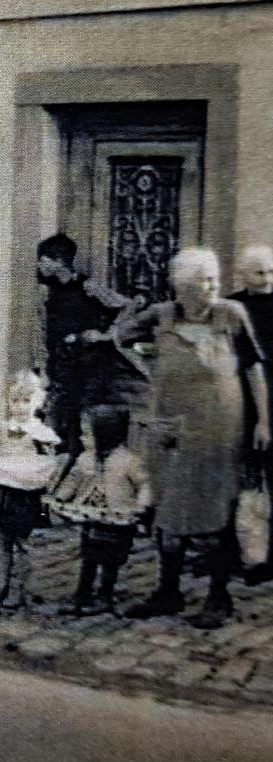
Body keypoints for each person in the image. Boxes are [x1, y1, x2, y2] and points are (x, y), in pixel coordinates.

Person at [117, 248, 270, 629]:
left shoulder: (230, 315)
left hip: (221, 429)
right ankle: (168, 591)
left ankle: (219, 597)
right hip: (170, 426)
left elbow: (253, 370)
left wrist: (264, 420)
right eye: (204, 279)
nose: (213, 285)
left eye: (215, 277)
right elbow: (122, 336)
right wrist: (149, 363)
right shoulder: (162, 316)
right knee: (168, 507)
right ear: (181, 287)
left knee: (217, 510)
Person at [36, 232, 146, 455]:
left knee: (85, 427)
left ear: (59, 262)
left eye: (44, 259)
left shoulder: (88, 287)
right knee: (62, 428)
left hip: (90, 368)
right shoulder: (49, 294)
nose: (39, 265)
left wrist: (106, 335)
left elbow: (129, 306)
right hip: (63, 368)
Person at [51, 407, 151, 616]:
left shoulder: (128, 460)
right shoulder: (86, 458)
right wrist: (61, 495)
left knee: (110, 559)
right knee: (88, 556)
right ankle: (82, 593)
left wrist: (142, 504)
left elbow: (144, 483)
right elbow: (74, 478)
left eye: (87, 434)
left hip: (117, 518)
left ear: (106, 435)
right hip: (92, 516)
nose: (81, 437)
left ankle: (105, 595)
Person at [0, 370, 61, 610]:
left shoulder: (39, 431)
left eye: (26, 400)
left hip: (24, 494)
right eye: (15, 400)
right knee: (3, 541)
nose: (20, 407)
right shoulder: (3, 427)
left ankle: (22, 590)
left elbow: (49, 462)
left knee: (22, 542)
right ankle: (1, 586)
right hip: (3, 491)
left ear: (38, 402)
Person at [230, 244, 273, 582]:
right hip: (237, 399)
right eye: (259, 272)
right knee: (237, 477)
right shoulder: (232, 306)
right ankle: (233, 550)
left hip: (269, 398)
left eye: (271, 271)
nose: (267, 278)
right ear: (243, 274)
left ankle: (267, 558)